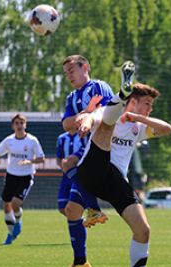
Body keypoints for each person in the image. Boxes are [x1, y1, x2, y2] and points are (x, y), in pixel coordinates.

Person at [61, 61, 171, 267]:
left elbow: (167, 129)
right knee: (106, 128)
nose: (150, 109)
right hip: (91, 171)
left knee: (143, 230)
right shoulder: (104, 112)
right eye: (147, 105)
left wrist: (139, 118)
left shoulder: (138, 128)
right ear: (131, 101)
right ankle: (122, 91)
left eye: (151, 106)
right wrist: (85, 121)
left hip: (113, 181)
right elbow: (94, 119)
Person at [61, 54, 114, 227]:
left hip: (104, 144)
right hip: (88, 149)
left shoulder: (98, 86)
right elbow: (66, 124)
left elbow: (107, 113)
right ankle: (93, 209)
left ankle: (94, 206)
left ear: (85, 67)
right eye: (66, 73)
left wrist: (86, 116)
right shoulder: (71, 97)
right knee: (72, 210)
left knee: (69, 163)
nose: (68, 76)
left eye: (71, 71)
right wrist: (86, 112)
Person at [0, 114, 45, 245]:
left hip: (26, 177)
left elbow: (41, 158)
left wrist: (29, 161)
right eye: (17, 123)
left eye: (22, 123)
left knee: (15, 204)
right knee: (6, 205)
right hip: (11, 176)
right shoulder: (9, 140)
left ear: (25, 125)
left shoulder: (32, 141)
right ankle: (10, 234)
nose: (19, 125)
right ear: (13, 126)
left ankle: (18, 221)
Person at [55, 129, 88, 215]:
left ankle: (77, 222)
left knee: (76, 205)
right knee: (62, 207)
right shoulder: (61, 138)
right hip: (66, 176)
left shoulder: (83, 136)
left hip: (79, 176)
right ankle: (78, 222)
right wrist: (66, 169)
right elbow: (59, 158)